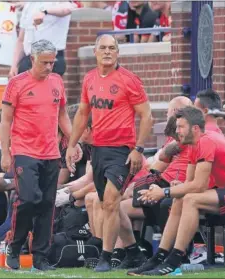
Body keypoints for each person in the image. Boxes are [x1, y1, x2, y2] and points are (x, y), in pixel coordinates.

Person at [130, 106, 225, 276]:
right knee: (180, 198)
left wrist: (164, 192)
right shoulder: (192, 144)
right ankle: (160, 256)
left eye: (181, 127)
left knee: (190, 199)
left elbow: (198, 186)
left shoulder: (206, 141)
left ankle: (174, 259)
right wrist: (174, 186)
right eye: (176, 127)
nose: (177, 131)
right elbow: (190, 183)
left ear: (195, 128)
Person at [66, 34, 153, 272]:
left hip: (123, 151)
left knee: (112, 202)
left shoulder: (129, 80)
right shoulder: (89, 79)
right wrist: (72, 144)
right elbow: (83, 113)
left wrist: (139, 148)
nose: (107, 52)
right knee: (108, 204)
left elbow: (147, 116)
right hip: (98, 150)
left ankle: (106, 255)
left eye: (112, 48)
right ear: (95, 52)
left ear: (118, 53)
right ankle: (134, 252)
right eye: (103, 48)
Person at [0, 39, 81, 271]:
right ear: (33, 59)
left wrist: (73, 142)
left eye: (52, 62)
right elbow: (5, 121)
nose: (49, 67)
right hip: (24, 151)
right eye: (45, 62)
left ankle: (41, 258)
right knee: (27, 199)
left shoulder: (57, 81)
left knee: (47, 204)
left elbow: (63, 114)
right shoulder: (16, 84)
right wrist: (5, 152)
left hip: (50, 153)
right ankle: (14, 246)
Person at [114, 96, 193, 269]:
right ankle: (131, 251)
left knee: (118, 204)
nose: (167, 116)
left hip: (175, 189)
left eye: (169, 112)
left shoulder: (193, 138)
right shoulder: (174, 139)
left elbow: (194, 174)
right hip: (164, 185)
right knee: (117, 201)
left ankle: (139, 251)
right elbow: (157, 167)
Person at [8, 1, 77, 78]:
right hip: (29, 60)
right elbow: (21, 39)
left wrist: (45, 11)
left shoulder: (60, 3)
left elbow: (69, 8)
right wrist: (14, 66)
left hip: (50, 60)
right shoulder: (29, 5)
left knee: (44, 89)